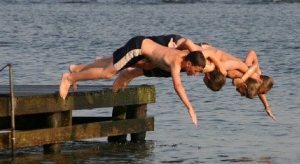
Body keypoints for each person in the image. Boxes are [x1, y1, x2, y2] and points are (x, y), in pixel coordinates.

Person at [59, 35, 206, 125]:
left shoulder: (185, 54)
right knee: (108, 73)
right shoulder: (176, 62)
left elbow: (187, 42)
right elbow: (178, 86)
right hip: (136, 48)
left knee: (110, 65)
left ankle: (77, 70)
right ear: (188, 64)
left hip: (143, 49)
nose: (195, 74)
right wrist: (190, 108)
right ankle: (69, 78)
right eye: (196, 71)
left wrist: (177, 47)